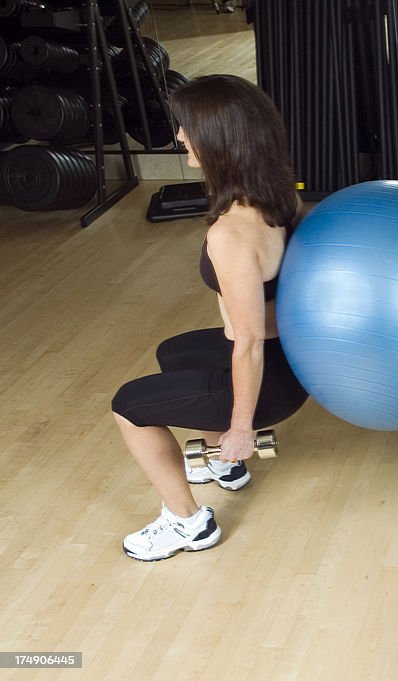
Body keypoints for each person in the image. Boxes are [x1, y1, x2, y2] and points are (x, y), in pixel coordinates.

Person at [112, 74, 308, 562]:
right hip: (294, 359)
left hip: (270, 380)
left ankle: (186, 522)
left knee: (128, 406)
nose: (180, 137)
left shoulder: (232, 233)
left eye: (187, 128)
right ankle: (225, 469)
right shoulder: (282, 196)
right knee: (172, 353)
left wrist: (242, 427)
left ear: (220, 140)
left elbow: (247, 343)